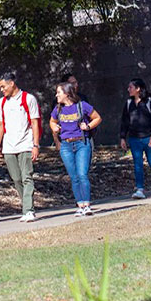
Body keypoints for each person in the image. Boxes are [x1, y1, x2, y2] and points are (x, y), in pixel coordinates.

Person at [49, 81, 101, 216]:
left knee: (82, 174)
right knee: (73, 176)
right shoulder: (58, 109)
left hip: (81, 143)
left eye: (59, 92)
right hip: (66, 145)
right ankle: (80, 204)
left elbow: (97, 118)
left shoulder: (82, 106)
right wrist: (54, 127)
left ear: (67, 93)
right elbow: (52, 121)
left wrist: (88, 126)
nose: (57, 95)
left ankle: (87, 205)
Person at [0, 72, 40, 222]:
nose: (2, 90)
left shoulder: (28, 99)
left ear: (11, 83)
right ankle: (25, 205)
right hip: (9, 146)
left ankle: (28, 210)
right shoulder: (2, 102)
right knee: (16, 178)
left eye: (3, 86)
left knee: (27, 176)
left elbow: (34, 123)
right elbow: (0, 125)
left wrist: (35, 144)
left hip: (25, 144)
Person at [119, 78, 151, 199]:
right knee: (137, 164)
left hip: (148, 137)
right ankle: (140, 189)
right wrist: (123, 137)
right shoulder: (129, 103)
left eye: (131, 87)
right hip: (134, 138)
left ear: (138, 89)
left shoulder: (149, 102)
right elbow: (125, 121)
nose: (129, 90)